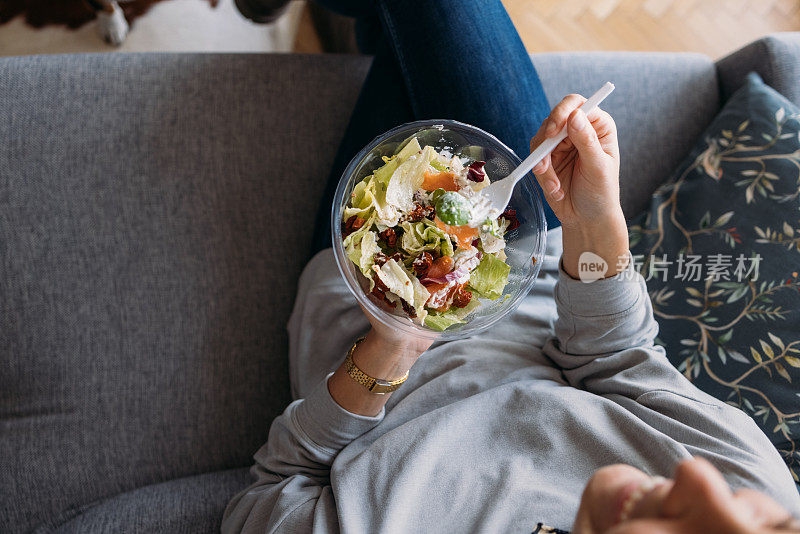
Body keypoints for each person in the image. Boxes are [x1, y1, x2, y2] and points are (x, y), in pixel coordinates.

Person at [223, 0, 800, 532]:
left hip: (356, 294)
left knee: (400, 28)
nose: (700, 479)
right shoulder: (757, 485)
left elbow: (267, 501)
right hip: (525, 247)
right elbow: (619, 360)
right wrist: (591, 223)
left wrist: (392, 347)